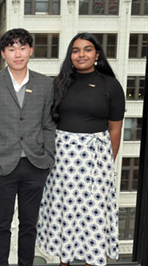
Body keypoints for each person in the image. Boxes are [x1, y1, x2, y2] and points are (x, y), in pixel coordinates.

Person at [37, 33, 125, 266]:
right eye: (76, 50)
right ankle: (64, 262)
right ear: (70, 55)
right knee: (65, 213)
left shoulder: (111, 85)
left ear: (97, 55)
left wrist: (107, 162)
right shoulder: (58, 83)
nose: (81, 54)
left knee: (91, 216)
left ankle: (90, 262)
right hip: (62, 162)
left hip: (95, 162)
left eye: (87, 49)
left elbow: (115, 130)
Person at [0, 28, 56, 266]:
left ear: (30, 50)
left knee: (29, 225)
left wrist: (48, 157)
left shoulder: (45, 84)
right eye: (11, 49)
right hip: (2, 166)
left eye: (22, 48)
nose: (18, 54)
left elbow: (48, 125)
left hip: (35, 165)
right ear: (4, 53)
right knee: (1, 225)